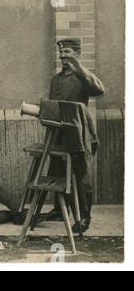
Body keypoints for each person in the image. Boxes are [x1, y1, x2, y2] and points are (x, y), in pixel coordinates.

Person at [41, 38, 105, 233]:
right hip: (58, 132)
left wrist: (79, 67)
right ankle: (61, 210)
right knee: (57, 171)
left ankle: (84, 216)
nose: (63, 56)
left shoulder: (83, 76)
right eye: (61, 53)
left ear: (77, 53)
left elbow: (99, 90)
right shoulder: (56, 79)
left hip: (79, 133)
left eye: (67, 52)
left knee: (80, 175)